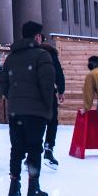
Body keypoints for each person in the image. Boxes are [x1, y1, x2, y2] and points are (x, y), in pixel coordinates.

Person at [0, 21, 55, 196]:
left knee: (16, 149)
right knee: (34, 149)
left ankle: (14, 186)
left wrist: (14, 99)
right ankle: (33, 187)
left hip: (16, 112)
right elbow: (47, 86)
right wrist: (48, 107)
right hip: (35, 112)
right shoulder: (42, 56)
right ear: (37, 36)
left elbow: (4, 85)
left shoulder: (11, 58)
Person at [41, 38, 66, 169]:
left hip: (33, 94)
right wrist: (61, 90)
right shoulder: (51, 53)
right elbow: (58, 72)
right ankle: (48, 149)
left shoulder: (32, 53)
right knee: (51, 121)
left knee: (36, 122)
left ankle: (31, 155)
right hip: (49, 92)